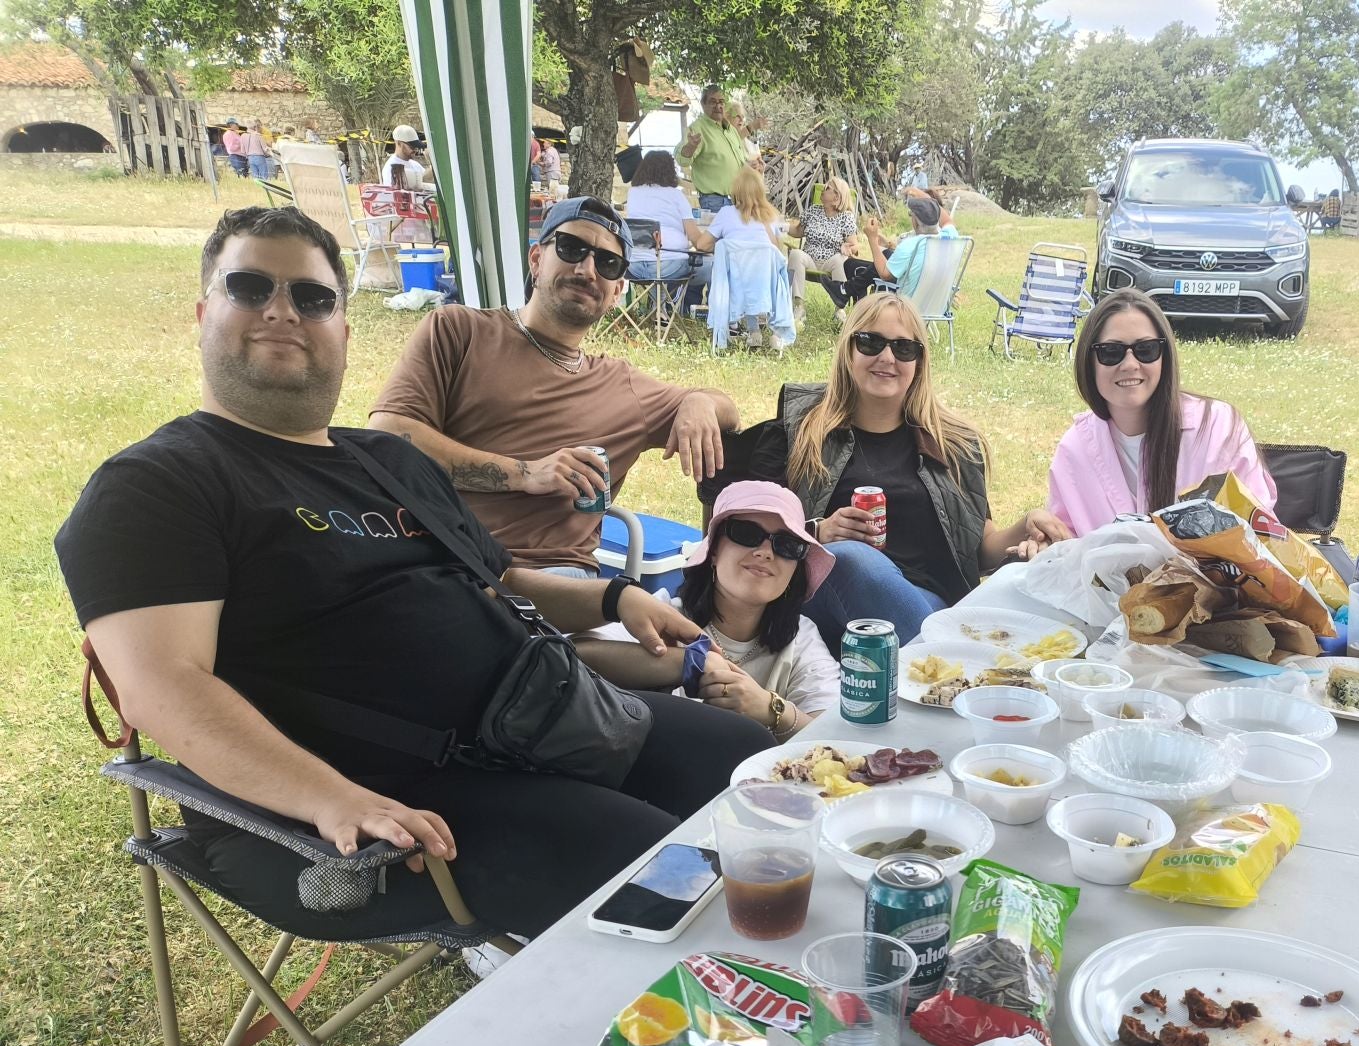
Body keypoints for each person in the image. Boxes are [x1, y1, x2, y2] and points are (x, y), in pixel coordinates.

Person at [54, 206, 772, 943]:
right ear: (204, 313)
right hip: (380, 801)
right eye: (250, 287)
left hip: (537, 721)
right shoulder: (159, 483)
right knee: (681, 883)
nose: (283, 311)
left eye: (313, 297)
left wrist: (614, 597)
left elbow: (505, 584)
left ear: (343, 331)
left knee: (761, 776)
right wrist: (332, 798)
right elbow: (163, 686)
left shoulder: (386, 460)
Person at [368, 196, 739, 575]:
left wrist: (700, 402)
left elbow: (728, 411)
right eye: (571, 247)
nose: (587, 269)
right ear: (536, 259)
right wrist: (526, 474)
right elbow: (388, 436)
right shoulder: (459, 331)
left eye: (607, 263)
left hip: (552, 578)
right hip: (440, 562)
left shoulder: (623, 386)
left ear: (617, 291)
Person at [776, 292, 1068, 641]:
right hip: (830, 605)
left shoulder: (953, 443)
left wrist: (1026, 526)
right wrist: (819, 533)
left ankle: (939, 652)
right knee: (851, 560)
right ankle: (950, 656)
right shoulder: (804, 429)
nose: (887, 357)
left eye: (904, 348)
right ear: (848, 349)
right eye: (870, 342)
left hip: (928, 604)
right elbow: (753, 525)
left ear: (919, 361)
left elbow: (979, 549)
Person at [581, 481, 840, 737]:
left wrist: (771, 709)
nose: (765, 553)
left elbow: (837, 735)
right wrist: (687, 663)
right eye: (747, 534)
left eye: (787, 545)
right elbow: (575, 657)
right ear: (713, 550)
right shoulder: (666, 615)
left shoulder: (801, 637)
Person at [1046, 288, 1270, 535]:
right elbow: (1063, 539)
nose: (1130, 364)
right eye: (1111, 352)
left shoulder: (1218, 428)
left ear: (1165, 357)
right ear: (1089, 362)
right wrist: (1042, 539)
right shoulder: (1074, 449)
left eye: (1146, 349)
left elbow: (1260, 531)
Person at [707, 167, 801, 338]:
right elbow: (776, 251)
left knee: (735, 272)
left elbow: (702, 244)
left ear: (736, 190)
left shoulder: (726, 213)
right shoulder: (771, 216)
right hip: (764, 282)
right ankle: (766, 330)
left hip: (735, 282)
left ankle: (748, 328)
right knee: (768, 273)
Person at [623, 148, 712, 290]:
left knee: (662, 269)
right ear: (671, 171)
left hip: (634, 267)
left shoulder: (633, 193)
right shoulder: (676, 195)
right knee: (712, 264)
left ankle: (660, 303)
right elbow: (696, 239)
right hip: (669, 266)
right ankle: (681, 301)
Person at [785, 176, 861, 322]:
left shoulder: (846, 217)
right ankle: (799, 307)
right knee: (795, 254)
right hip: (810, 259)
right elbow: (798, 231)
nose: (822, 190)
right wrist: (782, 227)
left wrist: (848, 248)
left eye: (827, 188)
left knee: (841, 259)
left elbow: (855, 245)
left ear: (836, 197)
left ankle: (839, 310)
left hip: (830, 262)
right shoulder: (813, 211)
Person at [860, 193, 954, 299]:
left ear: (916, 222)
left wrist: (872, 239)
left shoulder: (910, 245)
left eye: (911, 214)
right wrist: (931, 205)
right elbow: (947, 221)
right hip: (938, 305)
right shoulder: (950, 237)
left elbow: (885, 274)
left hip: (908, 306)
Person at [679, 84, 750, 212]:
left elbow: (740, 161)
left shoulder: (731, 130)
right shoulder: (697, 129)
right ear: (703, 104)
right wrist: (690, 146)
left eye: (721, 102)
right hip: (715, 201)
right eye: (713, 102)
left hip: (738, 199)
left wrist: (752, 166)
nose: (718, 106)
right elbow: (682, 160)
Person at [386, 125, 431, 190]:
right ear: (399, 143)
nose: (415, 150)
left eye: (417, 147)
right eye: (412, 146)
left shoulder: (415, 164)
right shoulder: (391, 168)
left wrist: (432, 165)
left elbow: (426, 182)